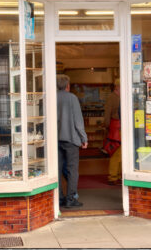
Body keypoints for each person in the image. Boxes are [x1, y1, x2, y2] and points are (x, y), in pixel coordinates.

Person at [57, 75, 88, 208]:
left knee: (56, 170)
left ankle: (58, 198)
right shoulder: (72, 98)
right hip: (71, 139)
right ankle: (70, 199)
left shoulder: (51, 97)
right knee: (72, 170)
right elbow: (78, 121)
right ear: (67, 86)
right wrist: (84, 138)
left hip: (55, 140)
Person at [104, 78, 122, 185]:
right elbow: (107, 113)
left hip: (119, 127)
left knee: (121, 154)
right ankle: (113, 176)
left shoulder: (119, 96)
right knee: (115, 153)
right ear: (116, 86)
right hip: (115, 127)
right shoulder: (112, 97)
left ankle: (119, 175)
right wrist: (106, 126)